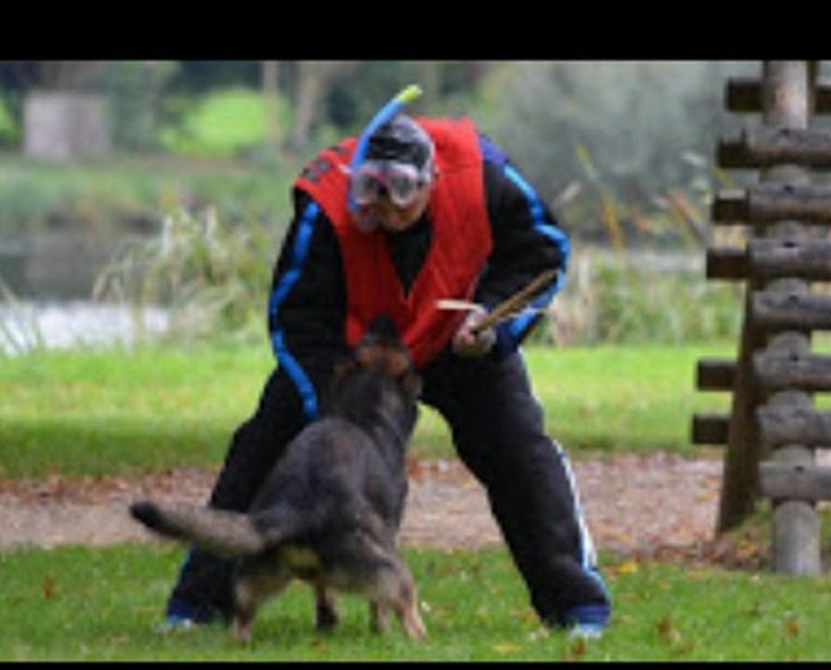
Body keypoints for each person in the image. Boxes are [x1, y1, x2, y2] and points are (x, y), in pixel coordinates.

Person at [162, 86, 611, 636]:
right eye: (369, 190)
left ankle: (578, 607)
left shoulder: (486, 177)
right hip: (353, 357)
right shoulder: (323, 205)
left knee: (520, 452)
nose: (382, 208)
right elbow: (296, 315)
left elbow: (542, 256)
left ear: (431, 180)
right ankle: (196, 605)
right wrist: (329, 406)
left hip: (460, 342)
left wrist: (494, 324)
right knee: (262, 446)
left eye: (400, 193)